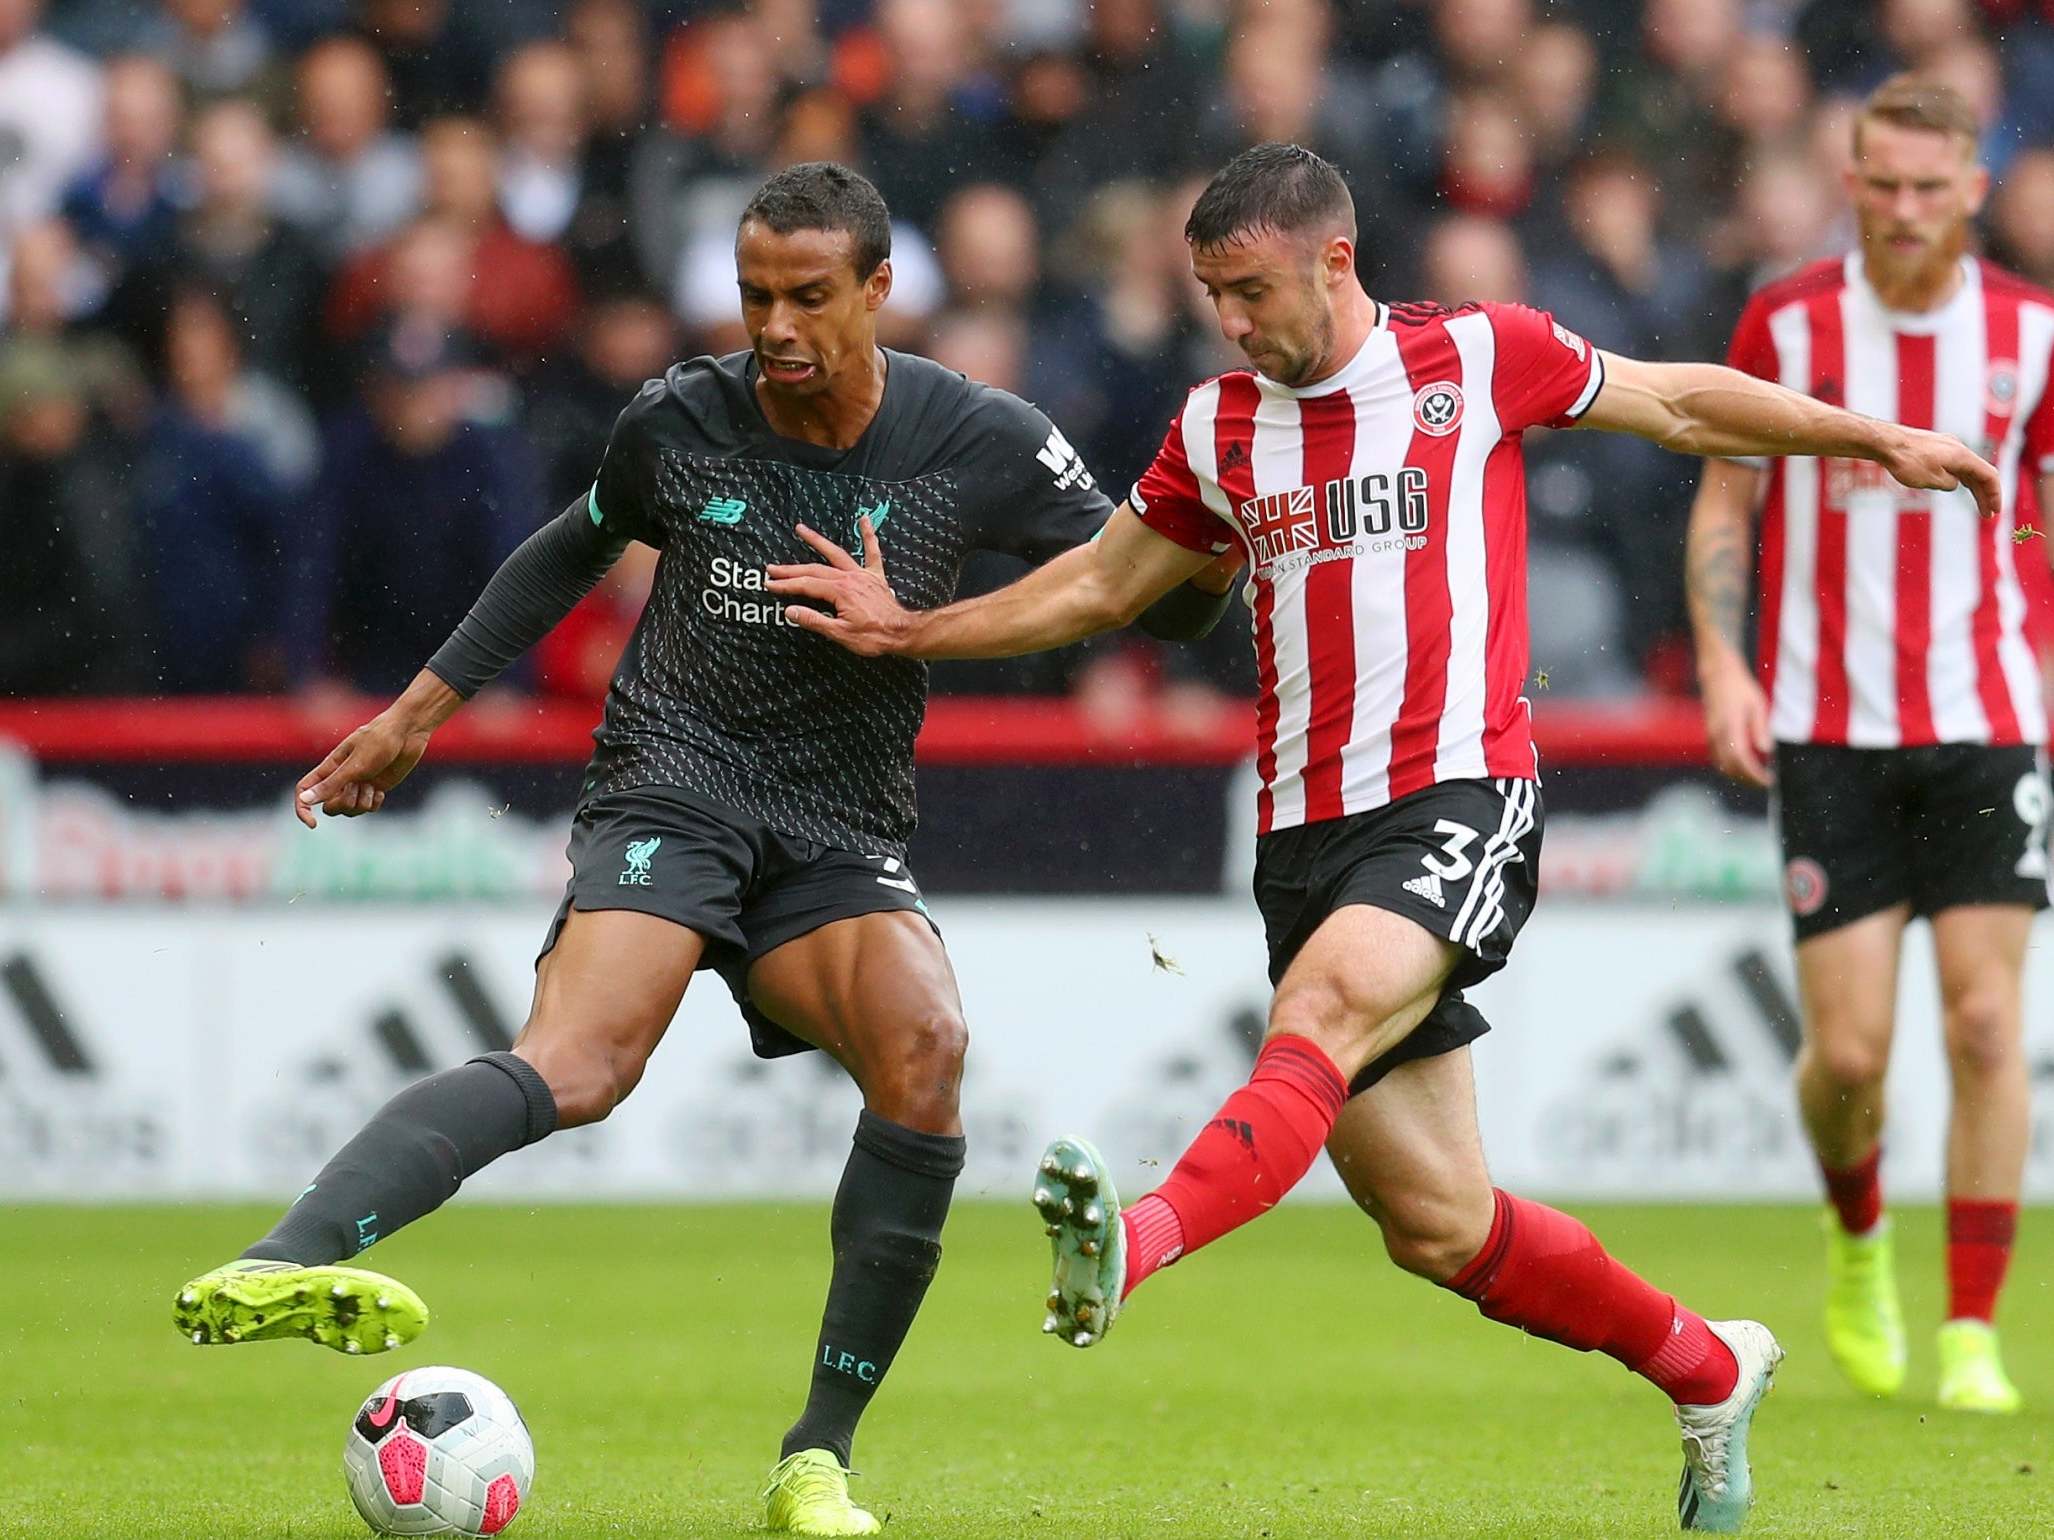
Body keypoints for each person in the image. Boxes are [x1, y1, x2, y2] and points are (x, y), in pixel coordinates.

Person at [767, 142, 2000, 1534]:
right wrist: (913, 630)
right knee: (1438, 1224)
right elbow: (1103, 586)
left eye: (1248, 289)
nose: (1230, 321)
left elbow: (1677, 402)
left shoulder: (1478, 358)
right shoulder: (1218, 427)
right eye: (1208, 295)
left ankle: (1140, 1245)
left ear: (1333, 261)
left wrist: (1868, 436)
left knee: (1326, 1005)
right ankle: (1707, 1367)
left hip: (1461, 796)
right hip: (1302, 838)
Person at [168, 161, 1230, 1539]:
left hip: (839, 825)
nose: (773, 325)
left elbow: (1153, 606)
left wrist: (1208, 558)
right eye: (752, 295)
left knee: (925, 1051)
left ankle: (816, 1464)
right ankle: (278, 1262)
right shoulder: (680, 419)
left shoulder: (976, 437)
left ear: (876, 290)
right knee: (584, 1063)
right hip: (673, 785)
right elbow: (564, 550)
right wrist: (413, 716)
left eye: (805, 296)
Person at [1687, 75, 2046, 1416]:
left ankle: (1969, 1329)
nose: (1902, 210)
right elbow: (1724, 503)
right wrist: (1724, 660)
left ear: (1972, 188)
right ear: (1849, 182)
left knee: (1981, 1017)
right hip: (1824, 728)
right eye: (1879, 184)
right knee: (1844, 1059)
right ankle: (1855, 1244)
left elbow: (2039, 529)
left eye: (1927, 187)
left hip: (1981, 721)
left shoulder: (2033, 336)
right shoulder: (1787, 321)